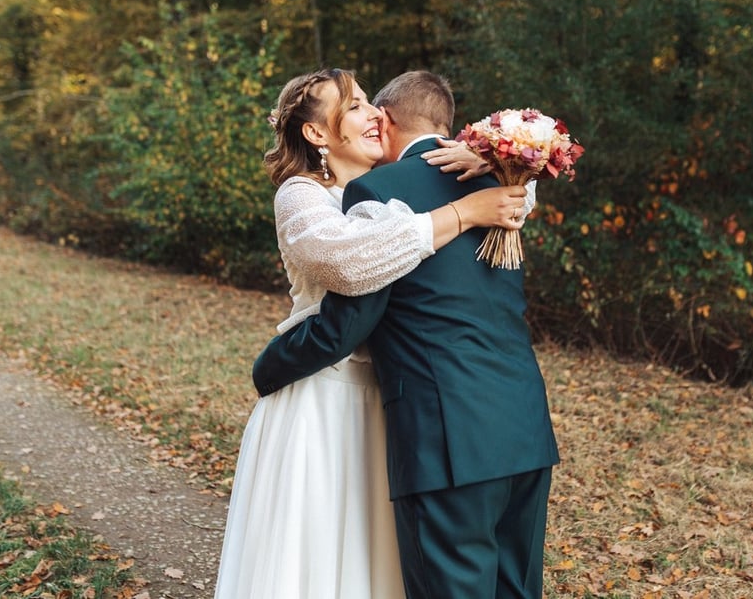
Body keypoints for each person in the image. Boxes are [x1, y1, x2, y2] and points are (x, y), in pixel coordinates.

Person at [213, 68, 530, 599]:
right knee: (317, 556)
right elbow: (349, 261)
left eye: (369, 103)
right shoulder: (302, 196)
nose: (374, 115)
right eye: (356, 106)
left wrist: (493, 165)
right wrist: (463, 210)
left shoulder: (390, 185)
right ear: (317, 134)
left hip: (391, 400)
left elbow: (520, 198)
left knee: (380, 562)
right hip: (322, 397)